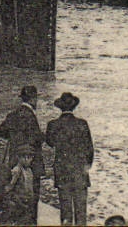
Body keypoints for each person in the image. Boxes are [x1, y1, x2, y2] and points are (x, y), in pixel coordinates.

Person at [45, 92, 93, 225]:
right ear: (74, 107)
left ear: (60, 107)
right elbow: (89, 148)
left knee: (65, 211)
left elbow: (50, 142)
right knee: (81, 212)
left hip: (62, 171)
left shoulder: (53, 124)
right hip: (79, 171)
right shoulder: (82, 123)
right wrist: (87, 165)